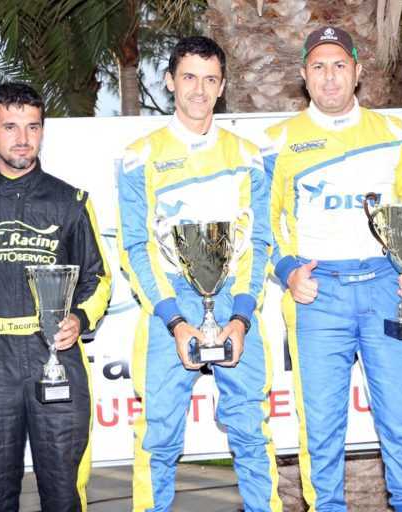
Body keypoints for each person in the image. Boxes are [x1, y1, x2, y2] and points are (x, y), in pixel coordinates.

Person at [263, 25, 402, 512]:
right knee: (321, 426)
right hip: (319, 295)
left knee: (400, 418)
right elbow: (262, 222)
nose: (330, 77)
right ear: (304, 76)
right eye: (318, 67)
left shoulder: (394, 133)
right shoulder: (278, 141)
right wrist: (288, 270)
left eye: (339, 65)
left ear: (357, 72)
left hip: (387, 287)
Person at [116, 36, 280, 512]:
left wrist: (242, 317)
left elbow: (260, 242)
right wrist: (174, 319)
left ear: (222, 86)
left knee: (251, 430)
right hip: (171, 306)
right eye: (189, 77)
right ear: (170, 81)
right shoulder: (140, 156)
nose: (199, 90)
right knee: (159, 433)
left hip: (233, 302)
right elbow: (135, 246)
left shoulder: (249, 156)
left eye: (210, 79)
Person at [0, 82, 111, 511]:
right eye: (10, 127)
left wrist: (79, 319)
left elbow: (98, 278)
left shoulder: (71, 201)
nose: (22, 138)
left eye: (32, 127)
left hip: (54, 356)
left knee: (63, 488)